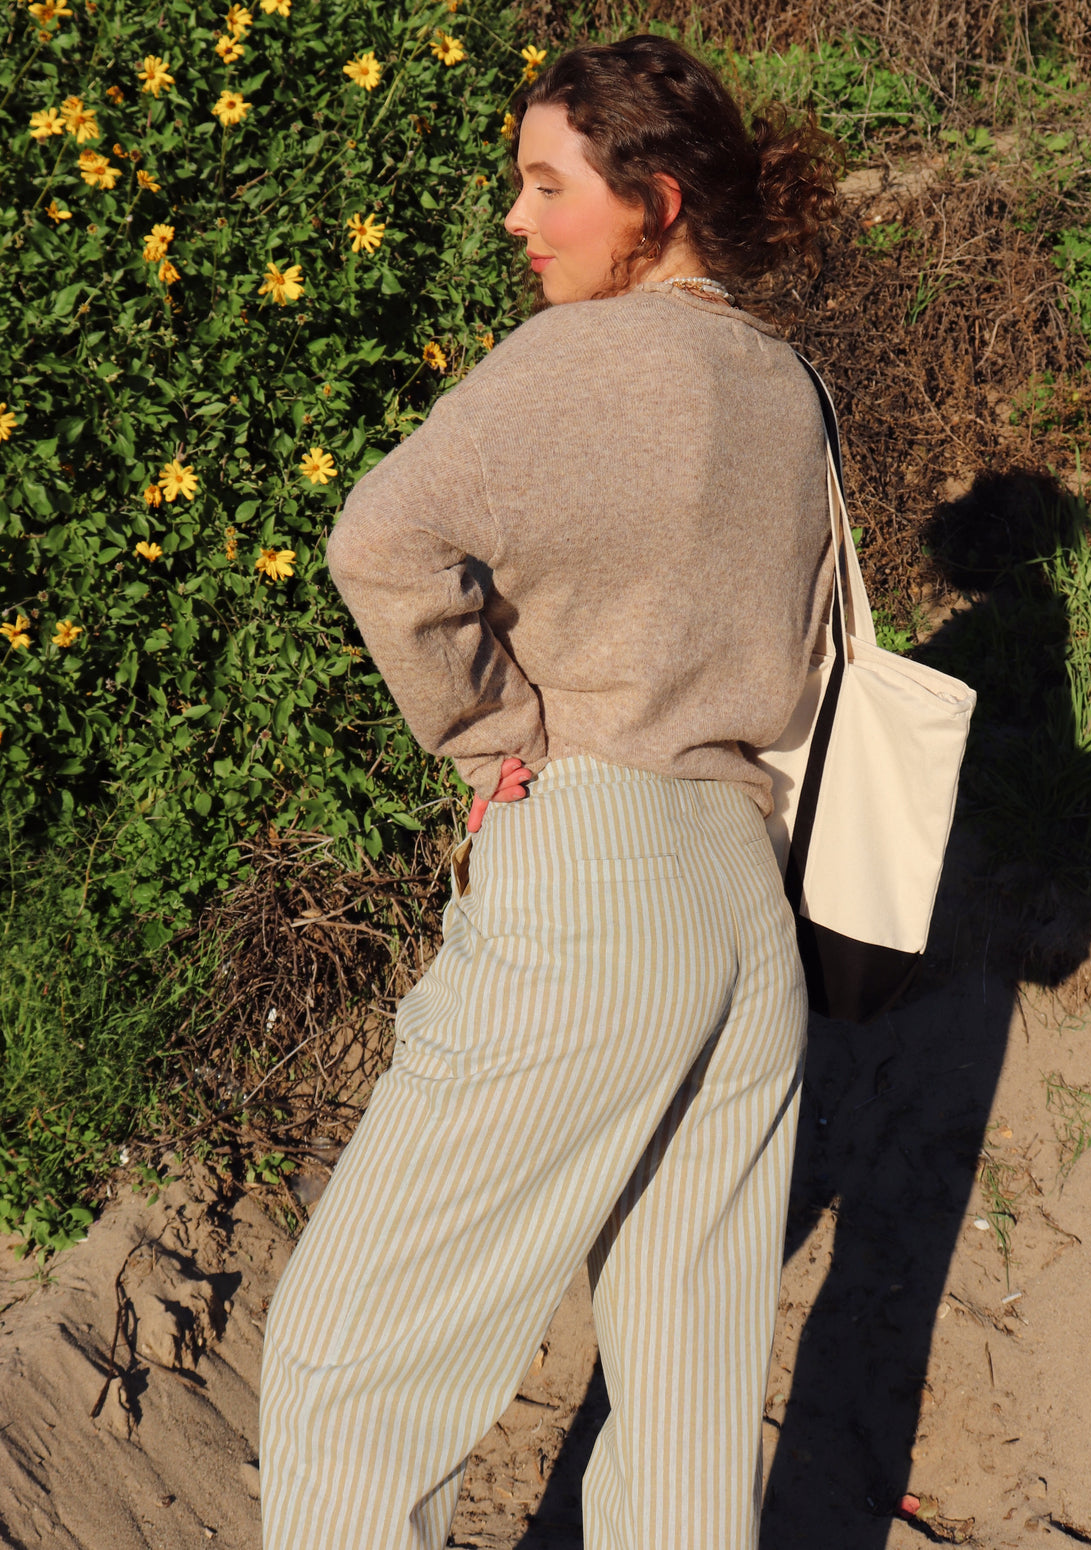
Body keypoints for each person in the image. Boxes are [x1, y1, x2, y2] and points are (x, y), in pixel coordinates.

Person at [260, 34, 841, 1550]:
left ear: (650, 200)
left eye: (545, 186)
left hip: (591, 870)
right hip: (746, 911)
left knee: (348, 1359)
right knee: (690, 1420)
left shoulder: (576, 360)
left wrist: (489, 728)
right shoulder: (788, 389)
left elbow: (378, 540)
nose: (515, 220)